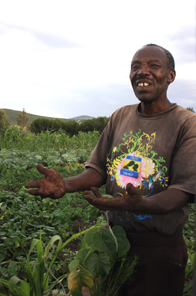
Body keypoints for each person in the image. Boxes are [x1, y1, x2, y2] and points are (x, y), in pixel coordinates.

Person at [25, 44, 196, 296]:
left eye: (153, 66)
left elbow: (182, 191)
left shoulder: (186, 123)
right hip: (115, 242)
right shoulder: (120, 116)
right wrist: (67, 184)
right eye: (135, 67)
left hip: (158, 250)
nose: (142, 72)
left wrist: (139, 205)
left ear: (170, 76)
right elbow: (98, 170)